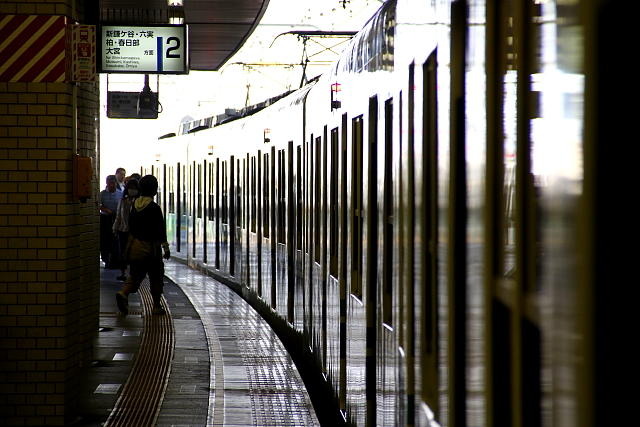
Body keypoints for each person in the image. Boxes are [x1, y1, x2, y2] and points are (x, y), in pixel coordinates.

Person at [116, 175, 170, 316]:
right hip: (152, 249)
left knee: (135, 275)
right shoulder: (154, 208)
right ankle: (156, 306)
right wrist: (165, 247)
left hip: (136, 247)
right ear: (153, 190)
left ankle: (123, 292)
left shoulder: (134, 206)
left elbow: (131, 226)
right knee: (156, 276)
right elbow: (160, 229)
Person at [112, 178, 139, 281]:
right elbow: (118, 216)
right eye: (130, 188)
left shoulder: (139, 202)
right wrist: (115, 228)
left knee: (134, 253)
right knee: (123, 252)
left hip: (136, 232)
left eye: (134, 188)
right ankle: (123, 272)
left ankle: (133, 273)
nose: (132, 190)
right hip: (123, 230)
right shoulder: (122, 201)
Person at [99, 175, 122, 268]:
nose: (111, 185)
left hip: (116, 219)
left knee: (115, 240)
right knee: (105, 240)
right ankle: (106, 259)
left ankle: (114, 260)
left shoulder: (120, 194)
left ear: (116, 183)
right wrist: (105, 209)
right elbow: (98, 205)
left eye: (113, 183)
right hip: (105, 219)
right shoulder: (102, 194)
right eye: (109, 183)